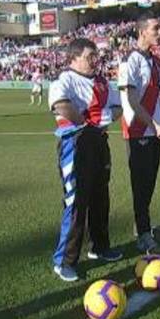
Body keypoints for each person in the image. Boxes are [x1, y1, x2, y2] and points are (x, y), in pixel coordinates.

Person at [48, 38, 123, 282]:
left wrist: (102, 117)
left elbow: (117, 108)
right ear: (74, 57)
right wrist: (89, 122)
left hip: (99, 143)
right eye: (90, 56)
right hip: (75, 144)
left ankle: (99, 246)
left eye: (96, 56)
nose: (95, 60)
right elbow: (61, 106)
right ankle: (65, 261)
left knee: (100, 196)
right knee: (76, 201)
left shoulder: (102, 82)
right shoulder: (64, 80)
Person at [118, 13, 160, 254]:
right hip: (138, 131)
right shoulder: (129, 60)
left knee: (150, 182)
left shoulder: (156, 61)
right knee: (141, 185)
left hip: (155, 131)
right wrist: (155, 124)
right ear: (142, 31)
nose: (159, 31)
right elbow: (132, 100)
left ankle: (143, 227)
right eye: (156, 28)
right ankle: (143, 234)